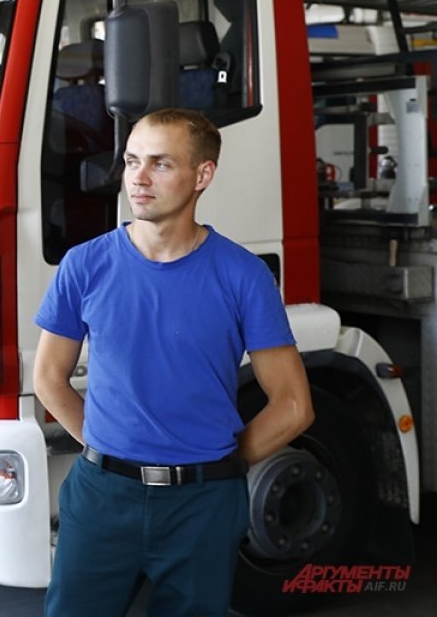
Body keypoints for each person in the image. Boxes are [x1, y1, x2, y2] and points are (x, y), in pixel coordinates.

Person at [33, 108, 314, 616]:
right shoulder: (85, 265)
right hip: (101, 499)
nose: (137, 178)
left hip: (202, 506)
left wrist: (218, 467)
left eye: (160, 164)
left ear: (202, 174)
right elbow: (50, 379)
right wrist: (107, 446)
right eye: (132, 160)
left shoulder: (243, 275)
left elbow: (294, 405)